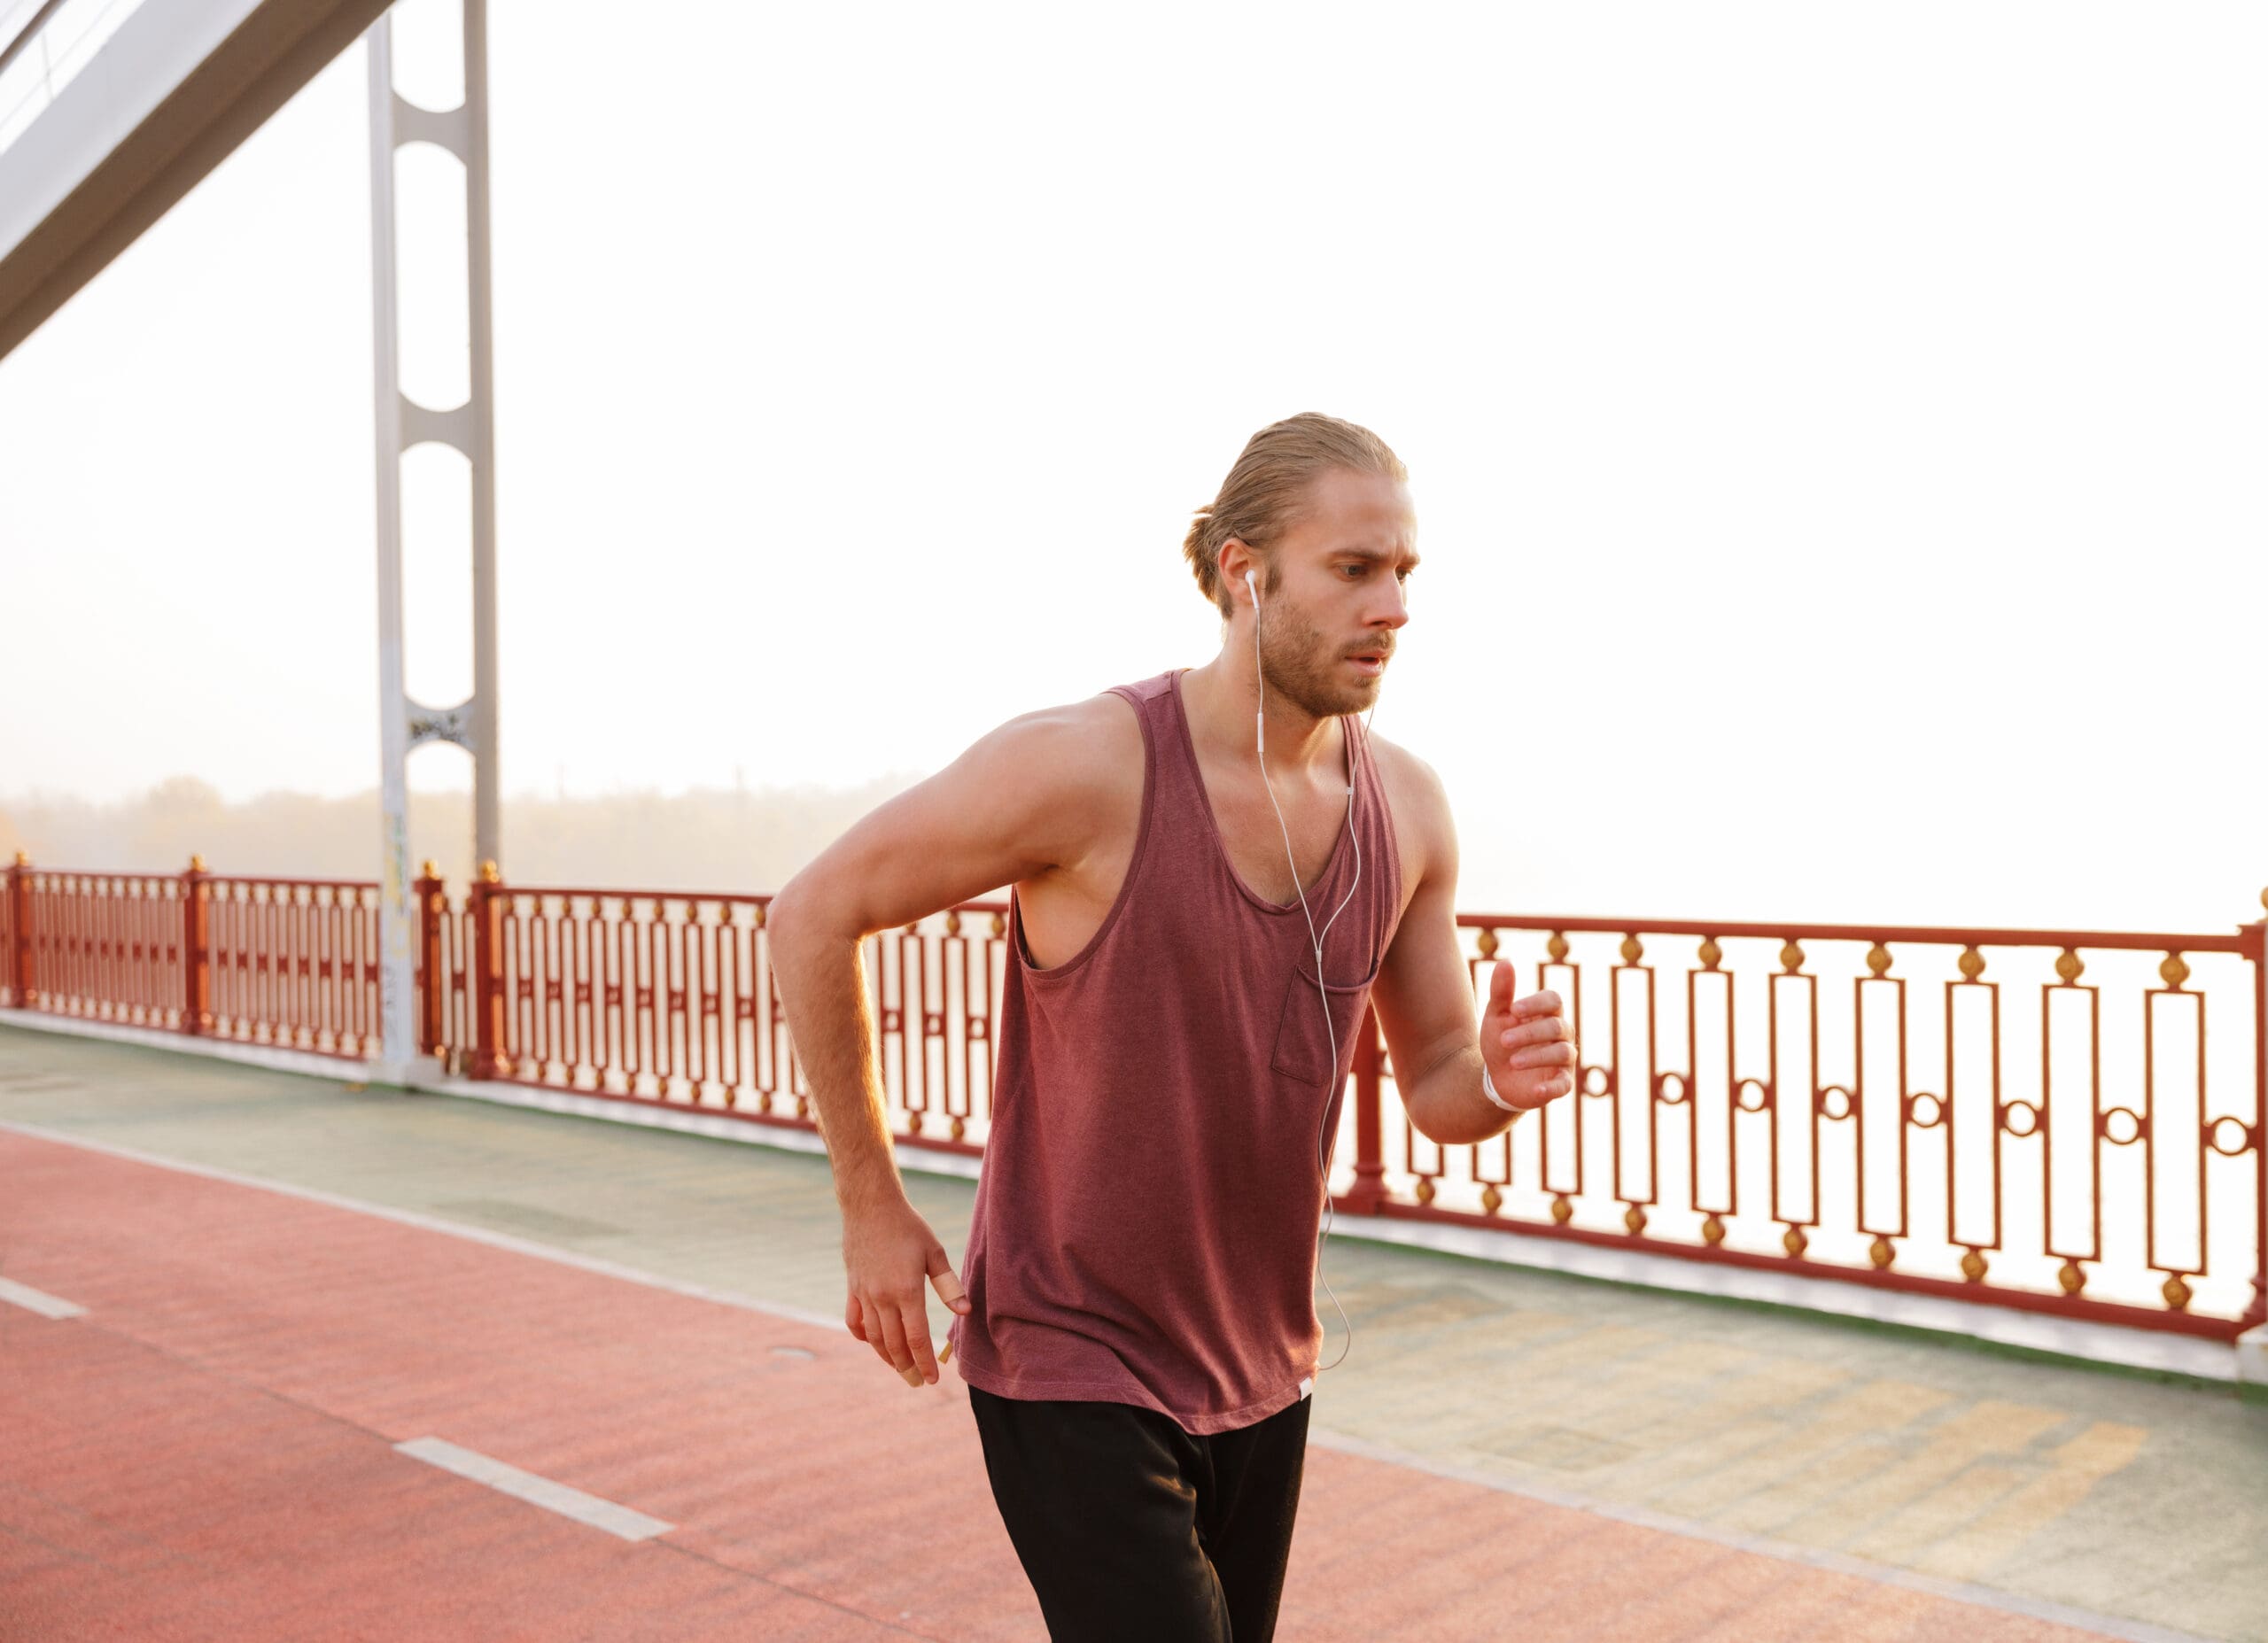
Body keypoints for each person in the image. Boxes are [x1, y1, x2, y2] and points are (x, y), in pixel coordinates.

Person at [767, 413, 1576, 1640]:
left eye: (1406, 571)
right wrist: (868, 1206)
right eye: (1354, 570)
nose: (1395, 606)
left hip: (1264, 1365)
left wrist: (1505, 1082)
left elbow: (1441, 1086)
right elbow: (813, 913)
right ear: (1244, 575)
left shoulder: (1408, 806)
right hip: (1070, 1352)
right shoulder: (1085, 766)